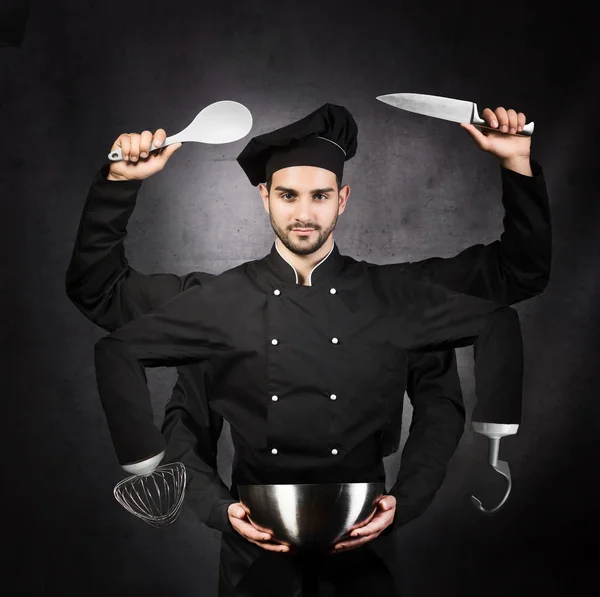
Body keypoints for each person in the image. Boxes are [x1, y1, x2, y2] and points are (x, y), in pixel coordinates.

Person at [66, 102, 551, 596]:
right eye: (288, 195)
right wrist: (119, 184)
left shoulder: (397, 295)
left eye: (319, 196)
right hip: (252, 549)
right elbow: (101, 295)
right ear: (264, 197)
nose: (303, 214)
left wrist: (405, 500)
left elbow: (517, 277)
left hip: (367, 541)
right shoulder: (214, 303)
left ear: (342, 199)